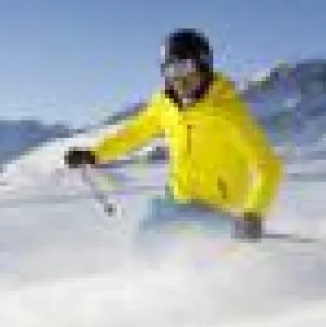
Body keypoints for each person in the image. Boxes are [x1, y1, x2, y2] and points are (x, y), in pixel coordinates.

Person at [64, 29, 282, 242]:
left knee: (157, 237)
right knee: (148, 234)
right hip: (179, 195)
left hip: (217, 205)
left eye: (185, 67)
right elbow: (136, 132)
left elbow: (267, 166)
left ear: (203, 65)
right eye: (171, 70)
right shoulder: (165, 104)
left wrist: (254, 212)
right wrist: (94, 154)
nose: (180, 78)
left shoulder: (226, 111)